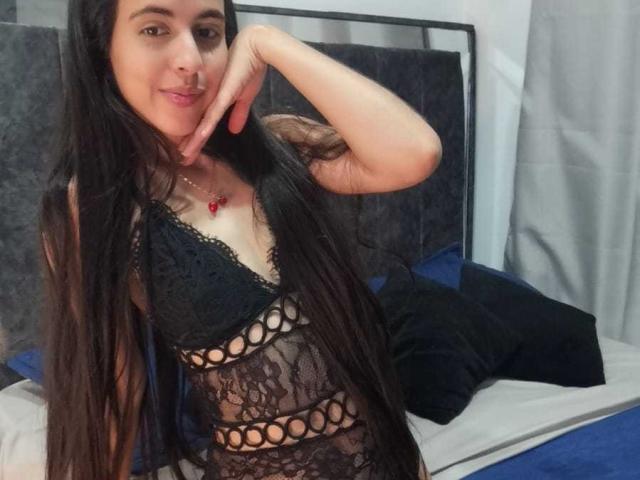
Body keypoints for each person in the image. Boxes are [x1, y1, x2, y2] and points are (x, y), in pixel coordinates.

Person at [39, 0, 442, 478]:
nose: (190, 59)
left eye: (208, 32)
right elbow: (114, 387)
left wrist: (270, 43)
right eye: (154, 29)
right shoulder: (91, 207)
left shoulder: (280, 149)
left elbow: (415, 153)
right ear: (101, 46)